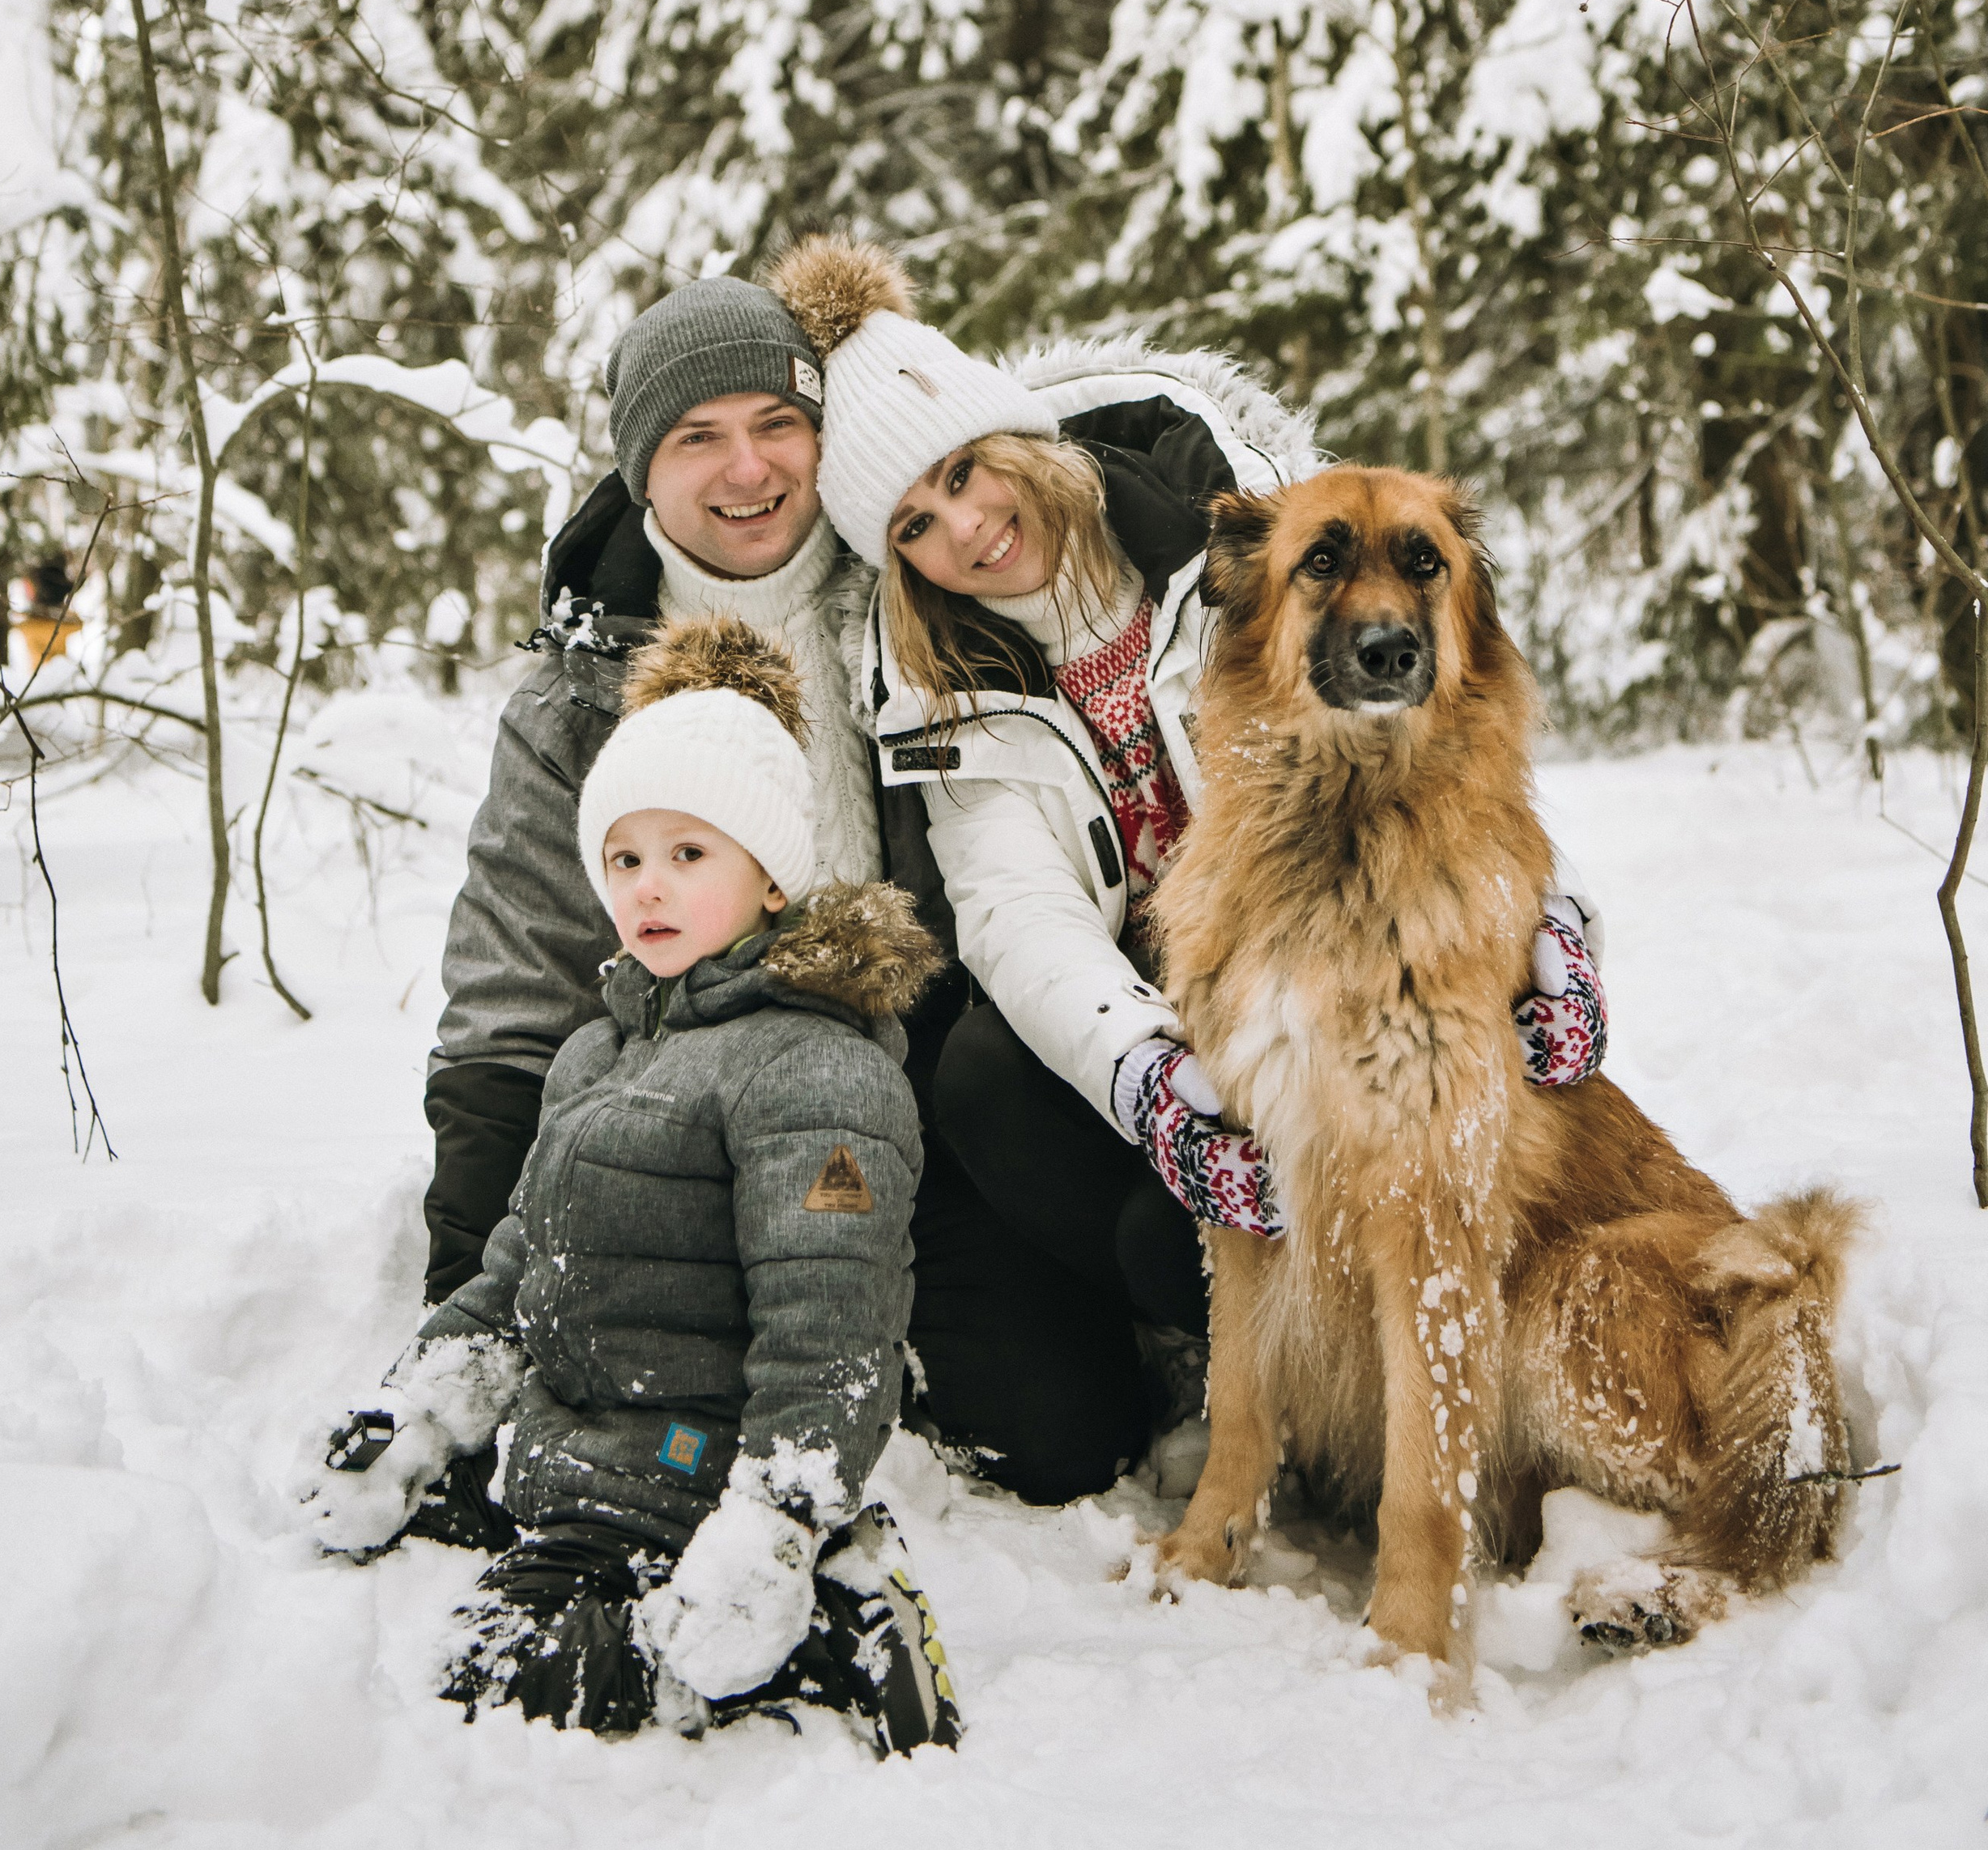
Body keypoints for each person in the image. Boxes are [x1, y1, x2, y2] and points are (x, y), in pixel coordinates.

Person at [768, 234, 1610, 1366]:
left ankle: (1382, 1326)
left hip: (1328, 975)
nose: (964, 528)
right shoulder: (945, 688)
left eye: (964, 472)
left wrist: (1551, 916)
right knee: (995, 1088)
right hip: (1172, 1025)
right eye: (914, 525)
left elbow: (1446, 742)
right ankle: (1196, 1335)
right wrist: (1150, 1077)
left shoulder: (1245, 549)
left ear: (1014, 439)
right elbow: (1019, 915)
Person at [413, 270, 1156, 1507]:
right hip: (685, 1115)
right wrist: (466, 1286)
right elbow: (511, 988)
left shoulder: (923, 610)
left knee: (1063, 1446)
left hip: (917, 1104)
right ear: (639, 471)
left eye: (777, 426)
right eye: (697, 438)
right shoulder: (580, 696)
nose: (746, 468)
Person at [309, 619, 960, 1755]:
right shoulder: (597, 1053)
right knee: (460, 1618)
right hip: (572, 1448)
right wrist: (418, 1414)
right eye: (625, 858)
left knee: (531, 1689)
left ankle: (837, 1613)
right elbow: (518, 1265)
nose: (648, 886)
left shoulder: (816, 1072)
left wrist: (775, 1517)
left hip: (690, 1473)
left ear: (772, 878)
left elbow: (833, 1331)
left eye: (690, 854)